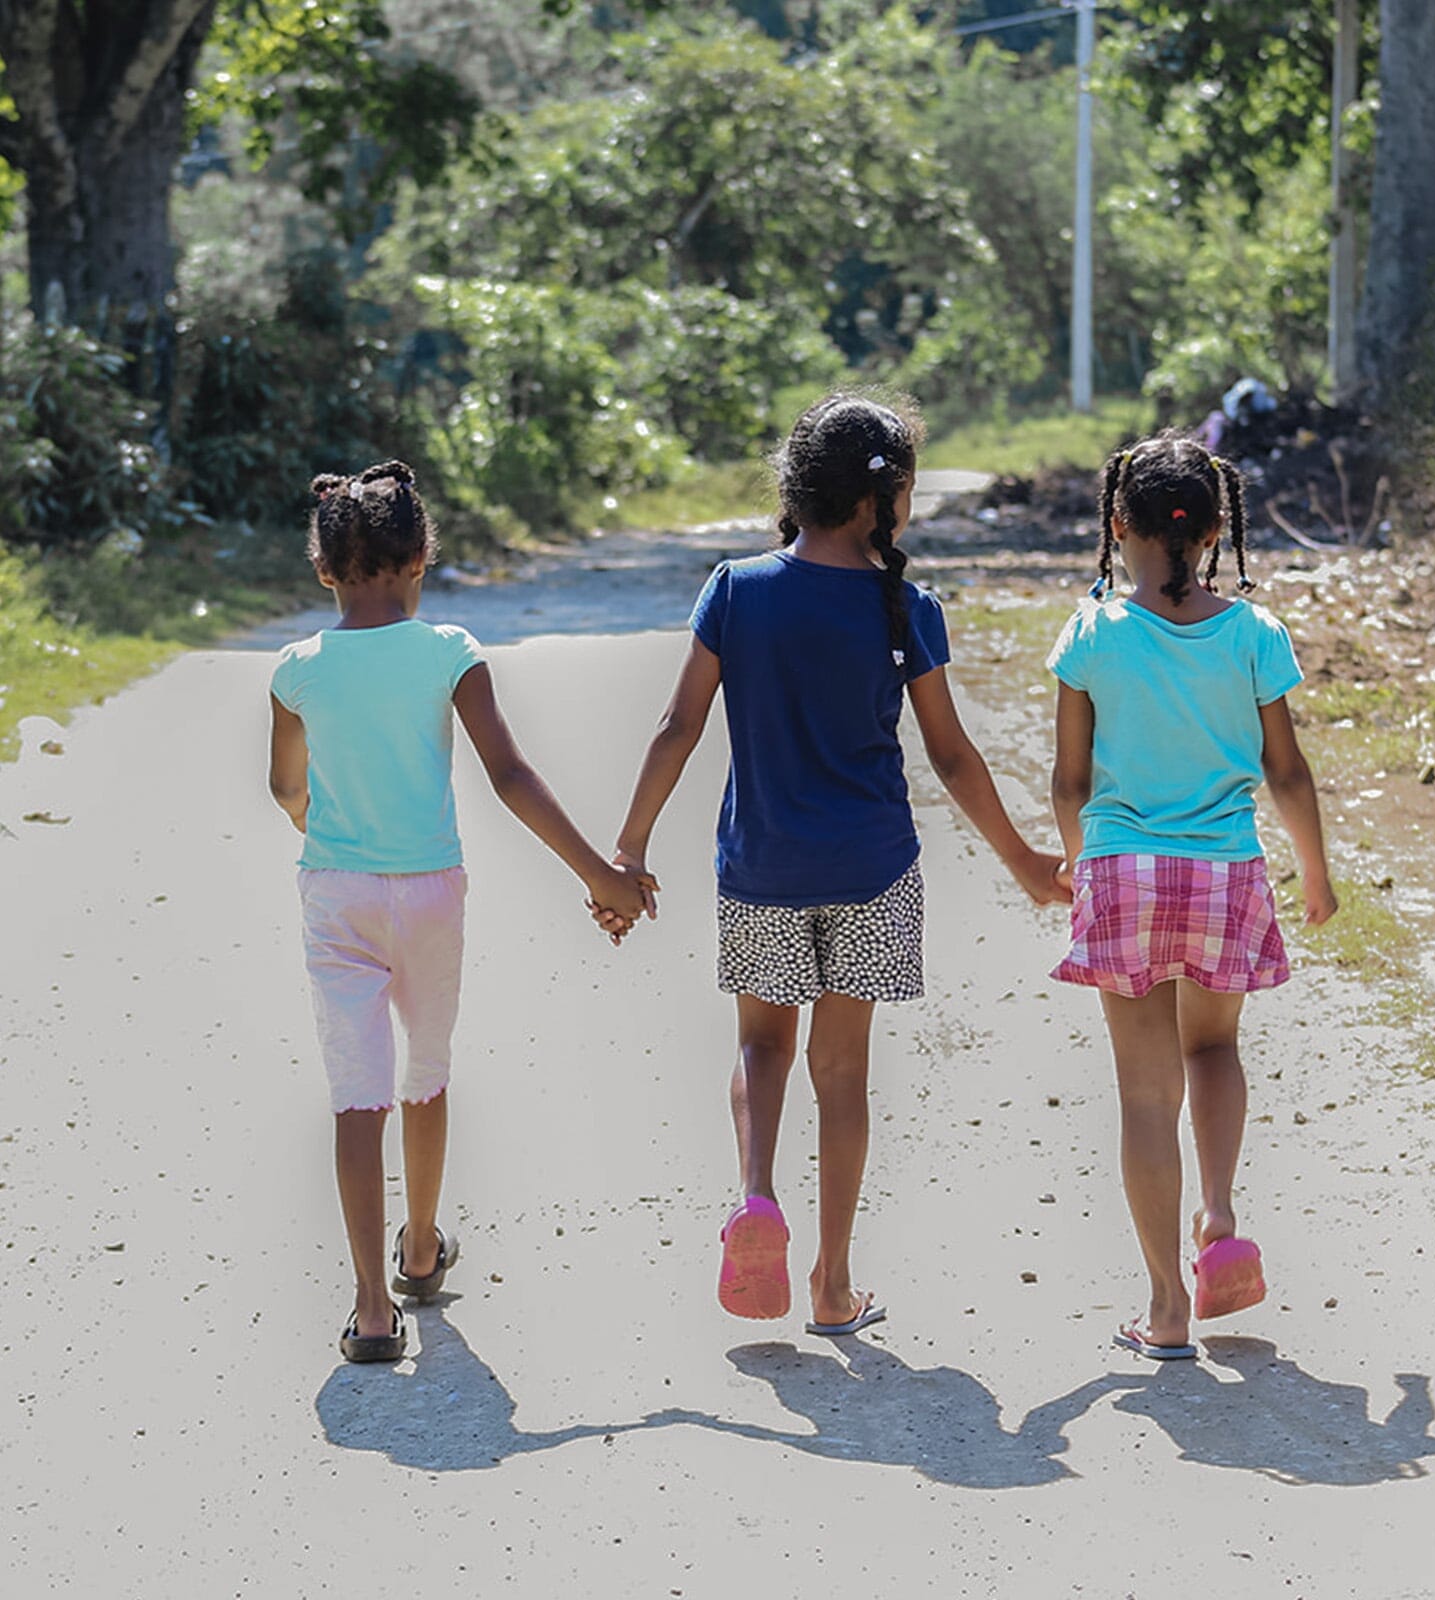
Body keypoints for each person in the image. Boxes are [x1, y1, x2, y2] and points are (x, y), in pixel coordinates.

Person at [602, 394, 1069, 1337]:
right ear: (887, 500)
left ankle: (755, 1195)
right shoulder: (907, 606)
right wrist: (1021, 858)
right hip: (872, 871)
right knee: (842, 1075)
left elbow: (678, 725)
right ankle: (832, 1284)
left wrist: (630, 844)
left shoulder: (736, 589)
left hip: (763, 866)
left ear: (796, 486)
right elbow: (949, 756)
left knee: (760, 1046)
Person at [267, 461, 646, 1363]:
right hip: (432, 890)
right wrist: (601, 875)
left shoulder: (295, 671)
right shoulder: (450, 652)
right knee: (425, 1070)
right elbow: (509, 775)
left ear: (323, 568)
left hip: (337, 894)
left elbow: (285, 786)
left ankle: (368, 1308)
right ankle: (423, 1247)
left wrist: (323, 827)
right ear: (420, 557)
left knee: (356, 1096)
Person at [1048, 433, 1337, 1361]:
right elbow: (1287, 774)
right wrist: (1316, 874)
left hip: (1125, 869)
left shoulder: (1092, 631)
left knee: (1144, 1094)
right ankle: (1219, 1216)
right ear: (1217, 532)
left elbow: (1068, 780)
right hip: (1224, 870)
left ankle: (1167, 1308)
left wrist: (1075, 861)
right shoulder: (1255, 634)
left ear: (1117, 526)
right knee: (1213, 1048)